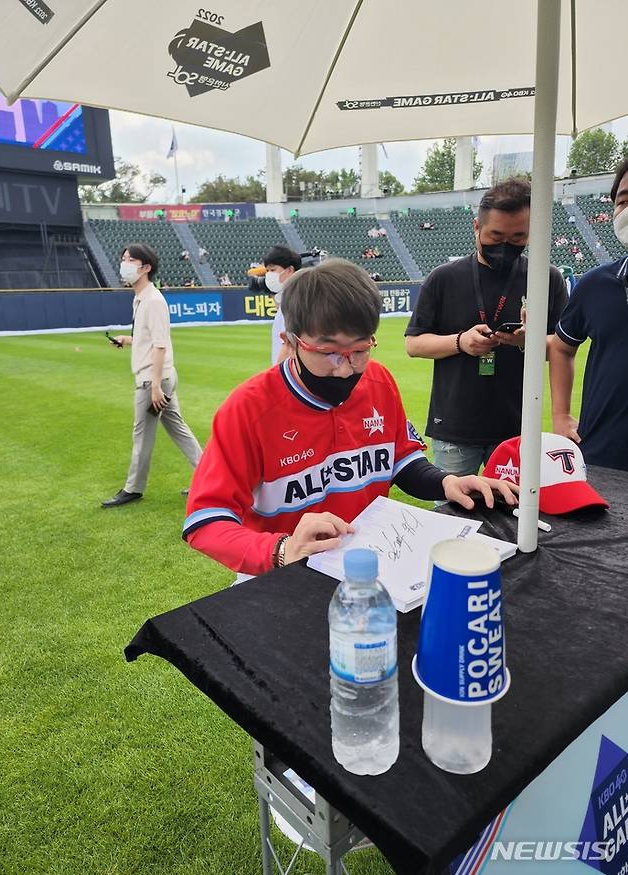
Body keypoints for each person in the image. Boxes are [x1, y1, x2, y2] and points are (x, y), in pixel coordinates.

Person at [183, 259, 517, 576]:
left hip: (371, 568)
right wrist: (283, 550)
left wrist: (447, 482)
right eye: (328, 352)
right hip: (282, 575)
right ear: (291, 341)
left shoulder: (378, 381)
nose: (345, 368)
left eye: (360, 349)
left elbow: (401, 459)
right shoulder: (249, 408)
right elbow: (206, 521)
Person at [405, 177, 568, 477]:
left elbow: (561, 348)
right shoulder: (443, 278)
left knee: (513, 515)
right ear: (476, 227)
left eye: (518, 237)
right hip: (454, 428)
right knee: (452, 515)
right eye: (496, 235)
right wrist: (460, 342)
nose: (505, 245)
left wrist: (526, 341)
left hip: (517, 426)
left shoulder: (547, 278)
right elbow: (413, 344)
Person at [101, 244, 202, 507]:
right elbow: (149, 340)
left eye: (131, 260)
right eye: (123, 259)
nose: (125, 264)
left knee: (142, 435)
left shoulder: (153, 300)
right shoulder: (142, 297)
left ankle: (133, 488)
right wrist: (127, 340)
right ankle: (207, 478)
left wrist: (155, 386)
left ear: (146, 267)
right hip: (160, 377)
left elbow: (160, 345)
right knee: (179, 429)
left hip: (153, 380)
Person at [549, 156, 628, 471]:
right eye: (623, 201)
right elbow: (561, 345)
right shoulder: (596, 284)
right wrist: (560, 415)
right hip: (603, 457)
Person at [264, 244, 302, 365]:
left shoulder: (294, 300)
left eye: (273, 270)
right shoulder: (291, 297)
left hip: (285, 373)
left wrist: (276, 377)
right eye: (267, 271)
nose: (269, 275)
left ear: (290, 270)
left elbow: (287, 344)